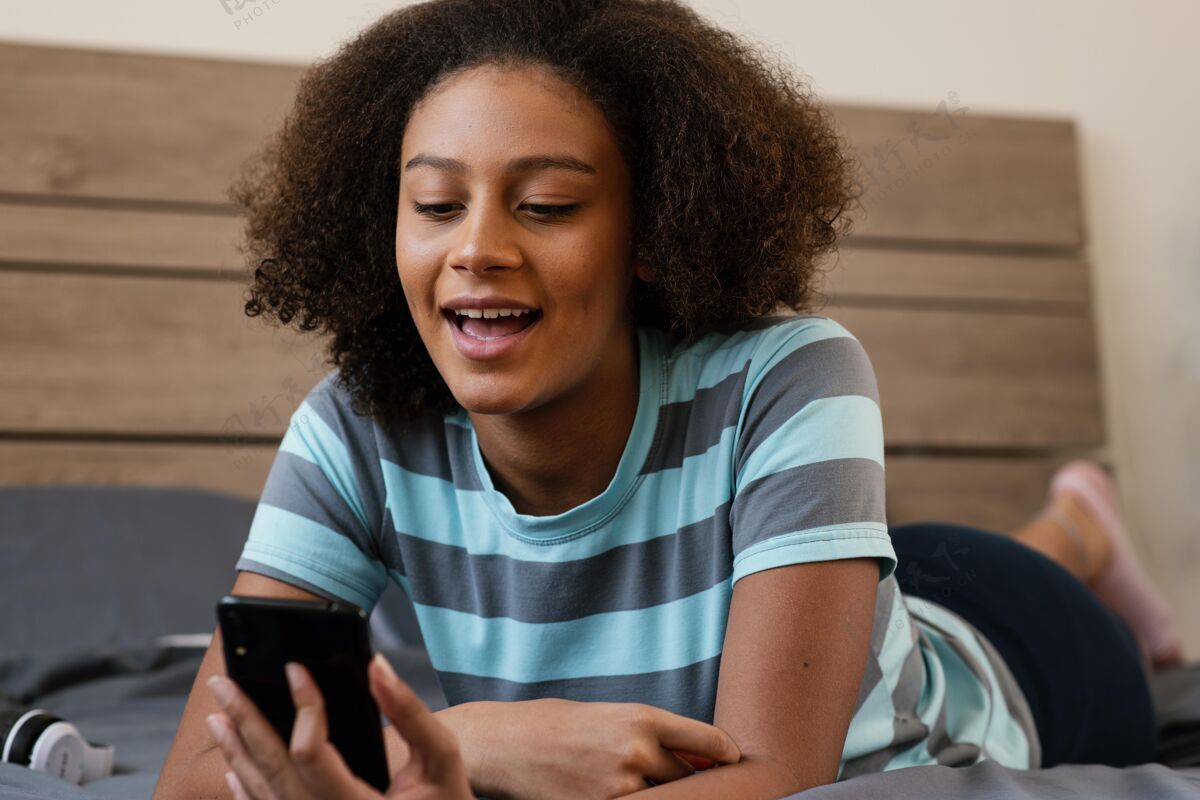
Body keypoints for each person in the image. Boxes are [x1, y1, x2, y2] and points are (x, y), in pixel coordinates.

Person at [153, 1, 1185, 798]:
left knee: (959, 585)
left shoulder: (793, 374)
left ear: (655, 229)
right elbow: (195, 776)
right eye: (434, 203)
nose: (475, 247)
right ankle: (1065, 520)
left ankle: (1077, 531)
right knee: (882, 584)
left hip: (1024, 655)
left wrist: (447, 758)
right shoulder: (356, 427)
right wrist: (473, 740)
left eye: (546, 204)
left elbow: (774, 776)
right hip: (837, 598)